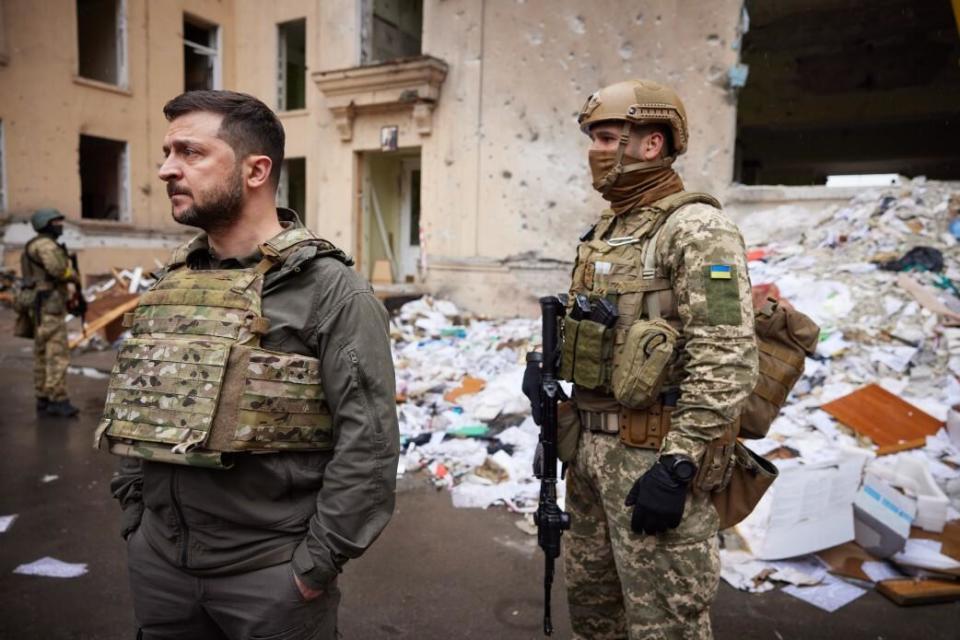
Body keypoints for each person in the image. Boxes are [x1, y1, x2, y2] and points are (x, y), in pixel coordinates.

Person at [103, 90, 400, 640]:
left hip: (269, 579)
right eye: (167, 152)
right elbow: (136, 398)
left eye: (190, 153)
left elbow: (371, 446)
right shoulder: (172, 282)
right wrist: (136, 516)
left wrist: (314, 567)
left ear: (256, 169)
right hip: (161, 567)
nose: (167, 169)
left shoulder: (332, 292)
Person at [560, 80, 759, 639]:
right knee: (596, 616)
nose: (595, 151)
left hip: (655, 458)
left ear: (651, 143)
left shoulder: (698, 230)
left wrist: (679, 464)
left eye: (606, 137)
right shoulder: (608, 231)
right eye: (593, 138)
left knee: (665, 626)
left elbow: (726, 357)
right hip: (590, 459)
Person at [21, 208, 81, 417]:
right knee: (56, 354)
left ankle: (43, 398)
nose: (60, 225)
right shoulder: (46, 245)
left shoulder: (33, 245)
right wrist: (73, 275)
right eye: (56, 222)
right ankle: (58, 399)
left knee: (40, 354)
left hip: (39, 307)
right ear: (46, 224)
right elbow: (58, 270)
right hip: (50, 307)